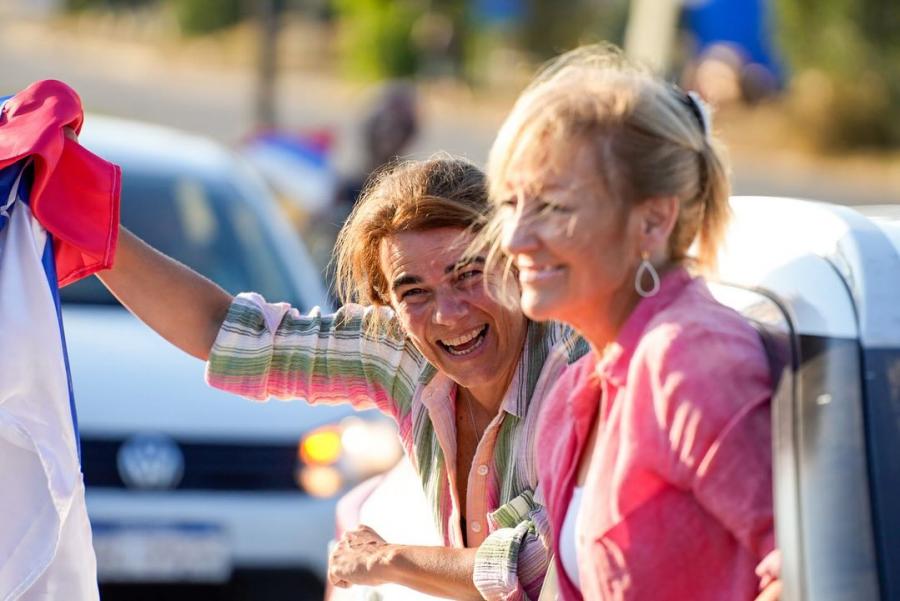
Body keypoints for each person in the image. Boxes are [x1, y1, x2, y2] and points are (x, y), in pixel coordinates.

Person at [94, 154, 585, 600]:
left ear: (517, 263)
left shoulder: (578, 370)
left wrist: (386, 560)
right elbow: (227, 335)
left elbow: (538, 567)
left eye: (469, 274)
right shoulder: (398, 350)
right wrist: (93, 230)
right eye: (414, 291)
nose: (448, 315)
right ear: (385, 301)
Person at [479, 45, 779, 600]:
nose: (515, 239)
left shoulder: (689, 359)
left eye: (553, 207)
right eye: (509, 203)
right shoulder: (581, 386)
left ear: (654, 220)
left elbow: (809, 573)